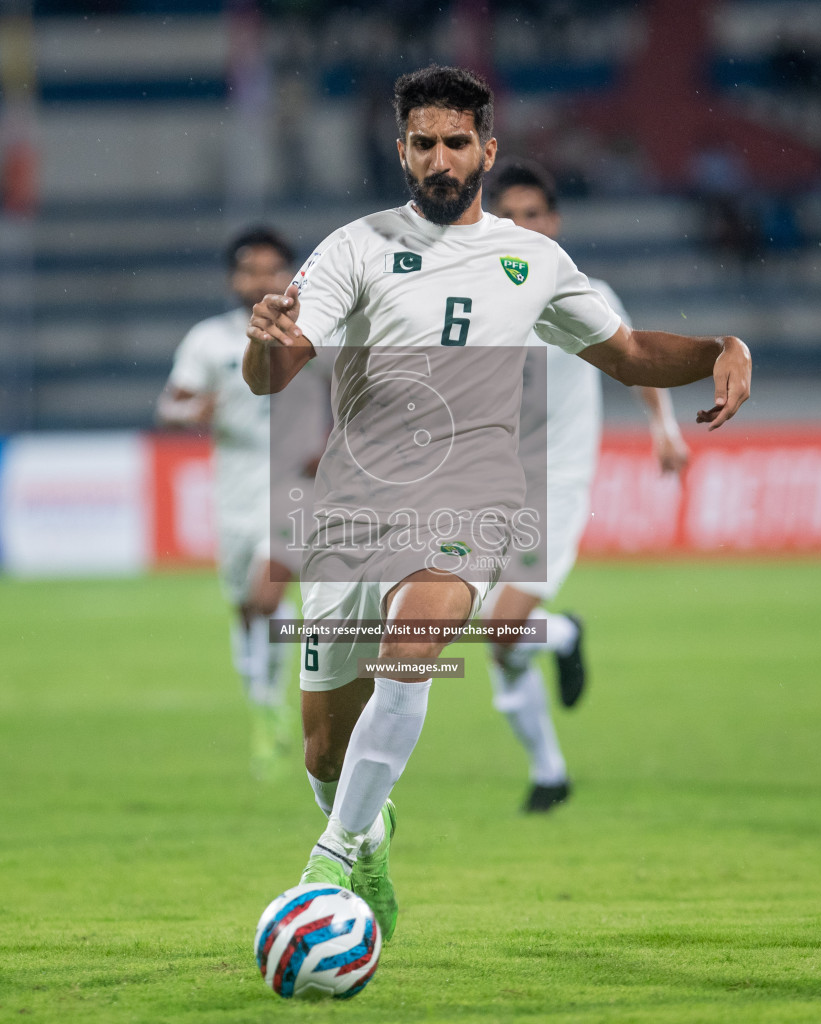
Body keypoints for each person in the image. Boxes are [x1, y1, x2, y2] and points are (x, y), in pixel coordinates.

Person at [244, 65, 752, 942]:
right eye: (422, 144)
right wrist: (268, 345)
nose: (440, 160)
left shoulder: (533, 259)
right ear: (401, 149)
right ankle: (365, 825)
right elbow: (273, 373)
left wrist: (719, 348)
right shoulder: (356, 247)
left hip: (472, 496)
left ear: (487, 148)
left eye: (455, 143)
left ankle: (329, 859)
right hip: (354, 511)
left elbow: (628, 353)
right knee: (325, 750)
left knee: (419, 643)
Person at [483, 159, 690, 812]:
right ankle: (551, 768)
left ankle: (560, 643)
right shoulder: (470, 298)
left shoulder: (585, 292)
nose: (522, 225)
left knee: (500, 627)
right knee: (502, 646)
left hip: (555, 485)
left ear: (555, 221)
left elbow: (636, 362)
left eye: (533, 213)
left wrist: (664, 428)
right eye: (508, 215)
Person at [160, 227, 315, 780]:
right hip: (237, 483)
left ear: (292, 274)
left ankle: (277, 704)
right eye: (251, 270)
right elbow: (171, 403)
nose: (262, 280)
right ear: (233, 278)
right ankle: (263, 702)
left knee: (267, 594)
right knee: (245, 607)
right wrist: (192, 411)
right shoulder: (209, 340)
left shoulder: (316, 330)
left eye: (274, 269)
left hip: (299, 482)